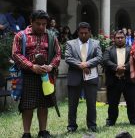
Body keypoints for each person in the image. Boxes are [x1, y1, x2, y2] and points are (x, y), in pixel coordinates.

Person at [12, 10, 61, 138]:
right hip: (28, 75)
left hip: (46, 75)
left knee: (43, 104)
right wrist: (32, 66)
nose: (41, 27)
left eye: (44, 24)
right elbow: (16, 54)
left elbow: (58, 53)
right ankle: (26, 133)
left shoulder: (51, 36)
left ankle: (43, 131)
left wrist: (51, 66)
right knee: (27, 105)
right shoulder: (20, 36)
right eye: (38, 24)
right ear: (31, 22)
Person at [65, 22, 103, 133]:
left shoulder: (96, 43)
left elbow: (99, 57)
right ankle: (71, 126)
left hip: (91, 77)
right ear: (78, 32)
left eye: (86, 33)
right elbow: (68, 58)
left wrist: (86, 64)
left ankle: (92, 125)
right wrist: (81, 66)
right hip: (74, 77)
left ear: (90, 32)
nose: (83, 35)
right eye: (81, 33)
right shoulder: (70, 44)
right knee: (72, 104)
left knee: (91, 103)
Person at [103, 30, 135, 126]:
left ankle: (134, 120)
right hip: (113, 81)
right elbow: (106, 61)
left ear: (125, 38)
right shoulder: (108, 49)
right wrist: (116, 67)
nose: (119, 39)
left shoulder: (131, 49)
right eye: (117, 38)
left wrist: (125, 68)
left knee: (132, 102)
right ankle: (111, 121)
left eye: (121, 37)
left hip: (128, 80)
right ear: (114, 39)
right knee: (112, 103)